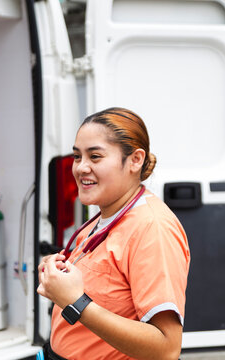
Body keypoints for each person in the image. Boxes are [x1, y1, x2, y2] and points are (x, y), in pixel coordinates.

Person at [37, 107, 190, 360]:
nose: (81, 168)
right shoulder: (106, 213)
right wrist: (58, 272)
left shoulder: (153, 228)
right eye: (77, 156)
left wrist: (76, 302)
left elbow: (167, 349)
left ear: (135, 160)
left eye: (95, 157)